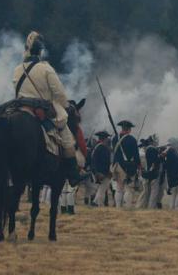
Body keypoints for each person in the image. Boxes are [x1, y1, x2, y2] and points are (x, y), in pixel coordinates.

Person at [13, 31, 85, 186]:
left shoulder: (18, 69)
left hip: (20, 107)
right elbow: (59, 93)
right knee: (66, 138)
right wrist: (66, 107)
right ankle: (73, 174)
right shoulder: (46, 68)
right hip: (41, 109)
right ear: (40, 51)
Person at [111, 120, 140, 208]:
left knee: (119, 189)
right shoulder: (132, 139)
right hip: (127, 166)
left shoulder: (115, 138)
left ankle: (118, 207)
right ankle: (127, 207)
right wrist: (138, 165)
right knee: (128, 188)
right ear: (129, 129)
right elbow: (136, 155)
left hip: (117, 165)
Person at [137, 134, 161, 209]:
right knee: (153, 193)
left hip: (147, 173)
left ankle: (142, 207)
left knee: (146, 193)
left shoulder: (148, 149)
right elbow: (154, 163)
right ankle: (150, 207)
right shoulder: (152, 149)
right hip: (152, 174)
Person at [90, 131, 113, 207]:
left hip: (97, 171)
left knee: (101, 188)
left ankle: (96, 202)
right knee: (102, 189)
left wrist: (95, 171)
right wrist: (107, 172)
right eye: (107, 138)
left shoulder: (96, 146)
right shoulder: (103, 148)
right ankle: (98, 203)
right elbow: (105, 162)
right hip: (102, 172)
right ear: (104, 138)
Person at [163, 137, 178, 210]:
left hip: (171, 174)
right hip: (177, 174)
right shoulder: (173, 152)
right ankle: (177, 206)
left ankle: (172, 207)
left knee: (173, 192)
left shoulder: (168, 151)